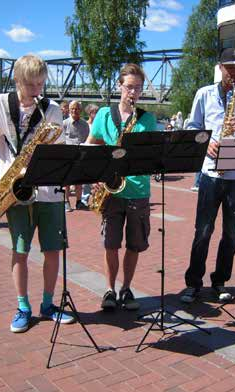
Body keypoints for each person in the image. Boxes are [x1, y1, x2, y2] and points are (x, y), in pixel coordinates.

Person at [0, 54, 75, 333]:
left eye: (41, 84)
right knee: (20, 251)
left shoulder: (52, 109)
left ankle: (48, 304)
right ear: (18, 81)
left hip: (49, 191)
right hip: (15, 190)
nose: (37, 91)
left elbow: (60, 147)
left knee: (53, 251)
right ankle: (22, 307)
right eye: (31, 85)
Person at [180, 48, 235, 304]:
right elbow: (192, 128)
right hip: (210, 173)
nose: (233, 72)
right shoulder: (204, 94)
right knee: (202, 231)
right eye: (229, 67)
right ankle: (193, 283)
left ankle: (220, 281)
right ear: (220, 67)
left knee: (232, 235)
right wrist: (207, 143)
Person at [85, 63, 157, 311]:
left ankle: (126, 288)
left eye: (138, 88)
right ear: (119, 86)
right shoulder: (104, 114)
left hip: (138, 190)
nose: (133, 93)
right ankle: (109, 289)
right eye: (129, 87)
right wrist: (94, 173)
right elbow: (91, 143)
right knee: (111, 244)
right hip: (111, 190)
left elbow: (150, 154)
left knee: (134, 245)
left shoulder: (147, 119)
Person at [63, 100, 90, 211]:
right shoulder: (64, 123)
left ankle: (79, 202)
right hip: (67, 156)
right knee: (67, 181)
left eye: (77, 109)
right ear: (69, 110)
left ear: (81, 110)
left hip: (80, 156)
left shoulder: (85, 125)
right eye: (72, 109)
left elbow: (87, 140)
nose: (75, 111)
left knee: (79, 181)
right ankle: (66, 202)